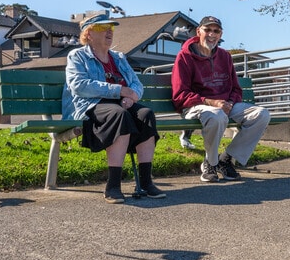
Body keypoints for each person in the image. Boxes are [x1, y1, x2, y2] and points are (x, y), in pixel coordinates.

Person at [62, 13, 165, 204]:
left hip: (120, 104)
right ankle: (113, 185)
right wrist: (119, 91)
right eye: (102, 28)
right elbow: (79, 85)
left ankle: (146, 182)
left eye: (111, 28)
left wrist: (132, 97)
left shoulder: (118, 57)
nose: (109, 31)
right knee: (119, 115)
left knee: (146, 114)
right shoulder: (77, 56)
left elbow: (136, 85)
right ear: (89, 34)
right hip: (91, 106)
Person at [171, 16, 271, 182]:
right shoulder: (184, 57)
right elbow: (180, 95)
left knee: (262, 114)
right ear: (198, 31)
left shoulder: (225, 56)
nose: (211, 34)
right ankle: (210, 163)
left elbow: (236, 89)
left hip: (224, 106)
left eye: (216, 31)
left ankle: (225, 159)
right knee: (217, 115)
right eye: (207, 29)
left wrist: (230, 102)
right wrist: (212, 102)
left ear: (220, 34)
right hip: (196, 106)